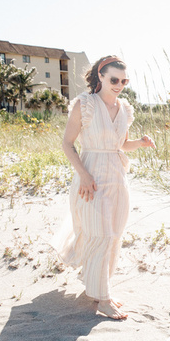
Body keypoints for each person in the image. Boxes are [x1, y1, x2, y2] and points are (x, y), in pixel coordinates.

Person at [52, 56, 155, 319]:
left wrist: (140, 143)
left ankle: (99, 288)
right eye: (114, 80)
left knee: (114, 234)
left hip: (117, 177)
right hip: (91, 176)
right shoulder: (84, 104)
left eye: (124, 80)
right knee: (100, 235)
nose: (120, 85)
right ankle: (103, 298)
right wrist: (84, 175)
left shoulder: (125, 109)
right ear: (100, 76)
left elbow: (120, 144)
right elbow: (67, 143)